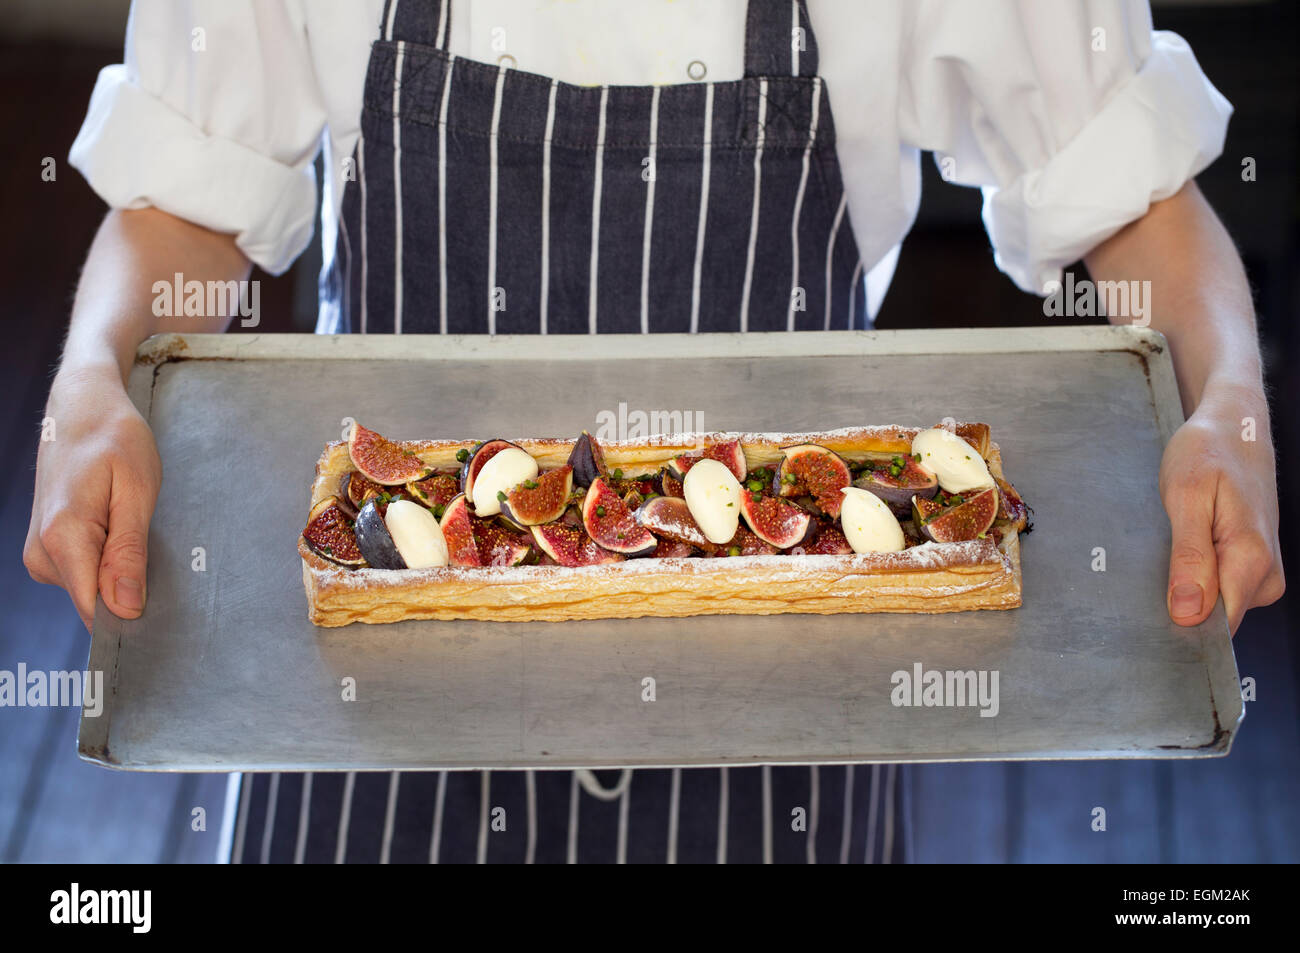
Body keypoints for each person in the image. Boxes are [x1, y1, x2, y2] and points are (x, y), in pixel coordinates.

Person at [26, 0, 1283, 863]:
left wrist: (1226, 402)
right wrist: (89, 380)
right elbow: (185, 208)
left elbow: (1142, 214)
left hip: (792, 701)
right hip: (368, 721)